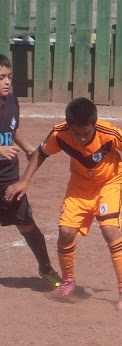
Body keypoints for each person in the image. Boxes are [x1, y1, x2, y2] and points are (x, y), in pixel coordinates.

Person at [4, 97, 122, 310]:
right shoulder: (59, 134)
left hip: (109, 185)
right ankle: (68, 281)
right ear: (68, 126)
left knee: (109, 229)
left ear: (94, 124)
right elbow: (41, 153)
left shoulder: (109, 132)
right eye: (76, 133)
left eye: (86, 132)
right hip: (79, 187)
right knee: (65, 231)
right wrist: (25, 181)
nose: (82, 138)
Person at [0, 54, 61, 288]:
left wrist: (27, 148)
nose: (7, 82)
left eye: (9, 77)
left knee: (26, 224)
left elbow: (12, 128)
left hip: (9, 180)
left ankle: (45, 268)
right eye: (1, 78)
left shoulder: (12, 101)